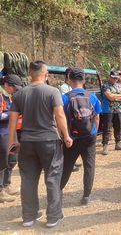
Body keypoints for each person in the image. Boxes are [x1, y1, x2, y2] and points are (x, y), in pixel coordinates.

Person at [8, 61, 73, 228]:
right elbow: (59, 115)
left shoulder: (19, 95)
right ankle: (53, 217)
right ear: (45, 75)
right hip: (49, 141)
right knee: (52, 178)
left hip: (27, 142)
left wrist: (12, 142)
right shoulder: (53, 91)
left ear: (30, 74)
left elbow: (13, 121)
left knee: (28, 179)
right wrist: (66, 135)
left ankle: (28, 217)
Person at [60, 67, 102, 205]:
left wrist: (64, 135)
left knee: (66, 165)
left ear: (69, 80)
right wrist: (93, 132)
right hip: (89, 136)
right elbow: (96, 117)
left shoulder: (64, 98)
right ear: (83, 80)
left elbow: (60, 118)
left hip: (72, 137)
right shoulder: (92, 96)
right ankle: (86, 196)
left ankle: (58, 192)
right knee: (89, 165)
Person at [0, 74, 23, 203]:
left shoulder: (9, 96)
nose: (15, 91)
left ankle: (7, 184)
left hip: (11, 131)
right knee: (2, 161)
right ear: (6, 85)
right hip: (2, 133)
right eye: (13, 88)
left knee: (12, 159)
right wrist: (12, 113)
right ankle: (0, 190)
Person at [100, 69, 121, 155]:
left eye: (116, 78)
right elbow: (109, 97)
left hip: (118, 109)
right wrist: (119, 97)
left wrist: (114, 97)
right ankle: (105, 145)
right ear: (110, 77)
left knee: (118, 126)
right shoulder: (105, 86)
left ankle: (118, 143)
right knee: (107, 128)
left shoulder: (120, 86)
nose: (115, 79)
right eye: (113, 78)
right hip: (107, 110)